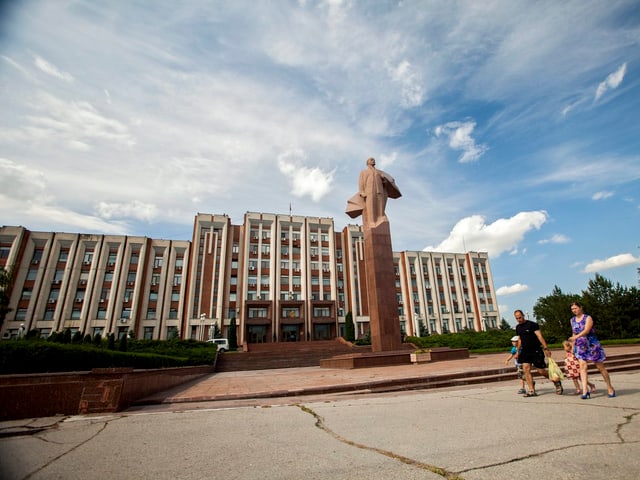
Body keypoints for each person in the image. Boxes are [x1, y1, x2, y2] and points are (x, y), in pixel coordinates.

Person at [568, 302, 616, 399]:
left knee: (600, 367)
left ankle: (609, 387)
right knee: (583, 367)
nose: (574, 310)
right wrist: (573, 346)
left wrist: (576, 337)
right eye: (572, 309)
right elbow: (573, 332)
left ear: (580, 308)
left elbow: (586, 330)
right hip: (580, 346)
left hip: (591, 344)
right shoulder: (572, 320)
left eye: (576, 308)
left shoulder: (587, 318)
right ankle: (585, 391)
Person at [514, 309, 563, 397]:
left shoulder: (532, 325)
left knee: (541, 371)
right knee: (526, 369)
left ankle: (556, 381)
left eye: (520, 317)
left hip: (535, 350)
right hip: (525, 351)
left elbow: (539, 336)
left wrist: (546, 348)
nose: (519, 319)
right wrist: (518, 351)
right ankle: (531, 390)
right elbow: (520, 339)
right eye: (517, 318)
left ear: (523, 316)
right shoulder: (518, 327)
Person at [346, 157, 401, 228]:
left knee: (381, 204)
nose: (373, 160)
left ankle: (381, 217)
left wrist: (385, 181)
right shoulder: (364, 172)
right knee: (370, 205)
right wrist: (362, 192)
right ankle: (372, 221)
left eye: (374, 160)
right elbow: (361, 182)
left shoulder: (379, 172)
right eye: (371, 160)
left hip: (380, 190)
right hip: (369, 191)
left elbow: (385, 181)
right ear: (367, 162)